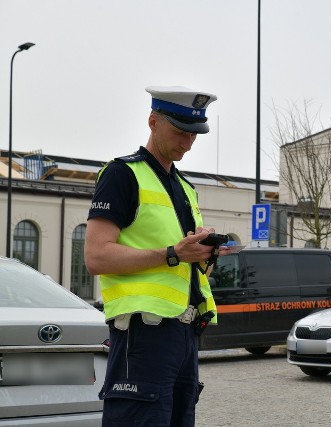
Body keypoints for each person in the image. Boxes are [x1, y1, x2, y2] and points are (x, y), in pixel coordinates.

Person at [84, 85, 231, 426]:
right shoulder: (123, 174)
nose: (188, 143)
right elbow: (96, 256)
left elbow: (186, 267)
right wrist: (172, 254)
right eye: (180, 132)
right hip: (143, 333)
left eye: (194, 135)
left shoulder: (184, 187)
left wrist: (203, 256)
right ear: (153, 121)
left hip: (185, 333)